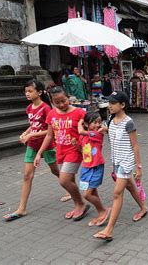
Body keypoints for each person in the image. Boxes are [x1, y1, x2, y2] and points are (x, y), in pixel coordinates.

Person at [94, 91, 148, 241]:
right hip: (116, 161)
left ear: (122, 105)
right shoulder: (111, 120)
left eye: (113, 103)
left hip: (126, 162)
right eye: (109, 102)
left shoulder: (129, 122)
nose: (110, 105)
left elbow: (135, 146)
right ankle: (143, 208)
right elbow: (113, 135)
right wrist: (104, 130)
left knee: (117, 193)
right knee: (130, 186)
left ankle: (109, 230)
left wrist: (139, 167)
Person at [3, 80, 60, 221]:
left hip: (46, 145)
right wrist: (25, 133)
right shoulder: (29, 108)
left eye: (30, 91)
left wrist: (31, 134)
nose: (27, 94)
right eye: (26, 91)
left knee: (55, 171)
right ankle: (21, 209)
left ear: (39, 92)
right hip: (32, 145)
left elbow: (50, 130)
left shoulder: (46, 108)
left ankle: (71, 188)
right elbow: (33, 125)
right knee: (27, 176)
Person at [34, 86, 89, 220]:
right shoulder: (52, 114)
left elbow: (90, 131)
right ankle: (78, 204)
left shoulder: (80, 113)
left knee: (64, 180)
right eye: (57, 102)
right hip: (61, 151)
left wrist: (88, 149)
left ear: (68, 97)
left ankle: (81, 204)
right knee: (69, 180)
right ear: (52, 102)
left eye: (63, 101)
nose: (61, 105)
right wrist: (39, 153)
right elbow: (49, 135)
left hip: (75, 151)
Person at [77, 112, 110, 227]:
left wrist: (80, 122)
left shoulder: (97, 134)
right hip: (86, 168)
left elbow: (80, 130)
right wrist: (75, 145)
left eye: (99, 122)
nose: (98, 125)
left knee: (87, 195)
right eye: (95, 122)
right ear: (87, 124)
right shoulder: (83, 137)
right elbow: (83, 151)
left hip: (96, 167)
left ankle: (103, 210)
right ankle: (100, 211)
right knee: (92, 191)